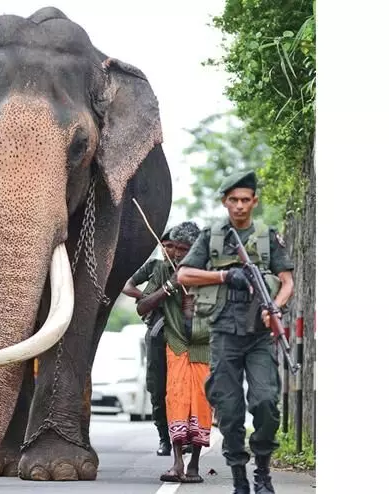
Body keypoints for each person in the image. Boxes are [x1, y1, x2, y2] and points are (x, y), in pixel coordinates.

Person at [177, 170, 295, 494]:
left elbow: (287, 283)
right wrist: (225, 277)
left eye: (246, 200)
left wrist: (275, 308)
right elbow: (184, 275)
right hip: (224, 333)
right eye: (234, 200)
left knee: (266, 403)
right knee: (229, 410)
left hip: (258, 335)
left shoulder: (267, 237)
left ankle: (263, 473)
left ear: (255, 202)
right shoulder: (212, 237)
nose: (240, 206)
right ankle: (240, 477)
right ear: (225, 202)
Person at [135, 221, 211, 484]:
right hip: (176, 343)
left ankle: (194, 466)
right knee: (175, 398)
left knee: (201, 402)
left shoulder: (211, 271)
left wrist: (197, 308)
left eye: (184, 249)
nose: (177, 253)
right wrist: (169, 287)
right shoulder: (163, 268)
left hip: (203, 346)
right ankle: (177, 463)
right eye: (175, 248)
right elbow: (142, 307)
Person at [122, 227, 176, 456]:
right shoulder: (154, 267)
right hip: (156, 331)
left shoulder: (186, 269)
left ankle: (188, 435)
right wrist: (147, 297)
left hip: (183, 332)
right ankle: (164, 438)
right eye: (166, 245)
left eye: (175, 246)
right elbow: (127, 286)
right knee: (157, 387)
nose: (170, 251)